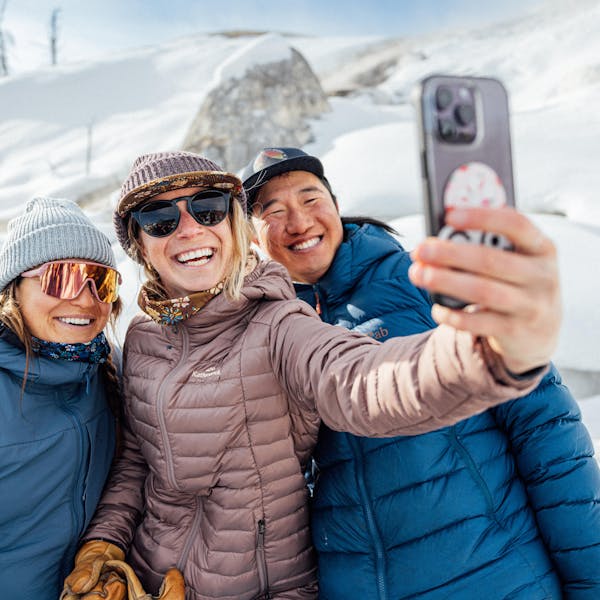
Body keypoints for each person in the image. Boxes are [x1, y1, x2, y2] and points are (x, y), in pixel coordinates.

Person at [63, 150, 558, 600]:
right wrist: (103, 547)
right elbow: (137, 462)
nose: (190, 229)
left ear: (234, 225)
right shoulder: (146, 336)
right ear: (140, 246)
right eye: (160, 219)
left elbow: (361, 380)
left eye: (209, 207)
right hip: (147, 581)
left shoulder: (278, 323)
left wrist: (486, 352)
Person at [243, 146, 600, 599]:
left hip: (497, 580)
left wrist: (590, 581)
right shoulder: (263, 333)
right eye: (273, 211)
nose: (298, 222)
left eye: (311, 199)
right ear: (251, 236)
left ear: (336, 206)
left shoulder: (425, 283)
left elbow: (546, 431)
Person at [0, 197, 123, 600]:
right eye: (61, 277)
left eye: (100, 281)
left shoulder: (108, 372)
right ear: (14, 288)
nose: (86, 300)